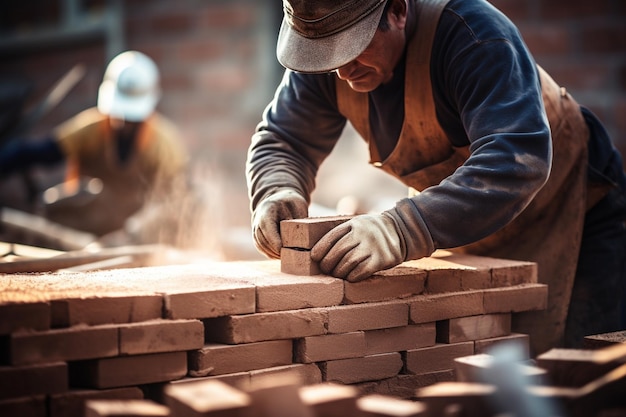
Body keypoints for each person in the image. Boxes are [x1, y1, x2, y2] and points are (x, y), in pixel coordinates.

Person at [246, 0, 626, 354]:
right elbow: (283, 139)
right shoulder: (327, 57)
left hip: (573, 214)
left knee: (574, 367)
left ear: (397, 11)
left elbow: (515, 160)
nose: (341, 71)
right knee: (480, 366)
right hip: (467, 226)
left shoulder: (473, 36)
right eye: (327, 55)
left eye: (351, 47)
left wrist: (401, 229)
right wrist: (276, 189)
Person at [0, 50, 190, 243]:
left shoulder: (163, 143)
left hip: (140, 233)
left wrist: (133, 231)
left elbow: (178, 195)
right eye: (119, 114)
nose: (124, 122)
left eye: (132, 118)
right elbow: (35, 153)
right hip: (90, 225)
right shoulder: (91, 130)